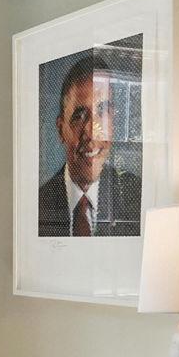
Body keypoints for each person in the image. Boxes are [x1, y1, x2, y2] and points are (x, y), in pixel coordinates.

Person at [37, 52, 140, 237]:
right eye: (79, 115)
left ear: (113, 122)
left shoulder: (136, 198)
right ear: (61, 129)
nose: (92, 132)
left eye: (102, 110)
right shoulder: (39, 203)